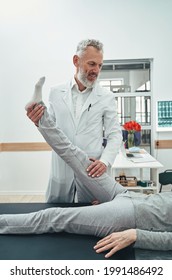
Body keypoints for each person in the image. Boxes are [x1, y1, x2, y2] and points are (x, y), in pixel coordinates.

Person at [1, 104, 172, 258]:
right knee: (77, 157)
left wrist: (136, 235)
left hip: (130, 216)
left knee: (55, 216)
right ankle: (41, 119)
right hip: (129, 196)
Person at [26, 39, 122, 203]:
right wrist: (37, 121)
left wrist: (105, 162)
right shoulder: (56, 92)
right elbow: (52, 130)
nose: (96, 70)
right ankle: (36, 105)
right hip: (62, 168)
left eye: (100, 65)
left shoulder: (106, 97)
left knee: (93, 220)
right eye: (92, 64)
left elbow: (115, 135)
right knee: (55, 217)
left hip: (91, 169)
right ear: (76, 61)